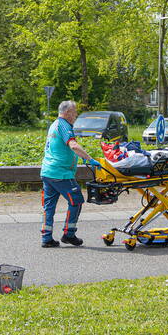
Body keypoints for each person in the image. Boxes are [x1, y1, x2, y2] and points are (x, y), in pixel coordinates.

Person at [40, 100, 102, 248]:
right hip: (60, 173)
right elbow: (73, 145)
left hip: (48, 172)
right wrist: (90, 159)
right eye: (74, 112)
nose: (76, 115)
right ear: (67, 112)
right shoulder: (63, 125)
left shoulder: (54, 124)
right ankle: (69, 234)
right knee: (77, 200)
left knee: (49, 206)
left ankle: (46, 238)